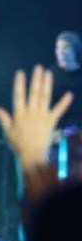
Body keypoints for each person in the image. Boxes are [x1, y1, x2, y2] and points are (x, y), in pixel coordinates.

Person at [49, 30, 82, 179]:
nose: (61, 52)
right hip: (56, 136)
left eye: (66, 48)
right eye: (58, 48)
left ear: (75, 50)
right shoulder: (51, 76)